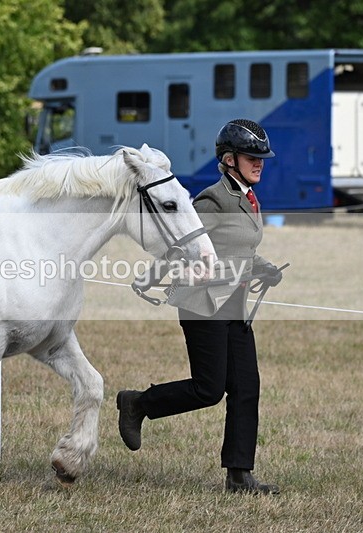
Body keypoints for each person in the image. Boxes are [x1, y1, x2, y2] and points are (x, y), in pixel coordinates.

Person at [117, 119, 284, 494]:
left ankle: (239, 475)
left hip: (235, 306)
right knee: (209, 390)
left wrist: (262, 267)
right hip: (202, 305)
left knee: (246, 387)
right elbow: (182, 247)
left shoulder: (247, 197)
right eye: (251, 157)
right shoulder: (212, 200)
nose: (259, 163)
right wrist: (152, 275)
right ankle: (138, 403)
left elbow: (238, 248)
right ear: (228, 160)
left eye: (262, 158)